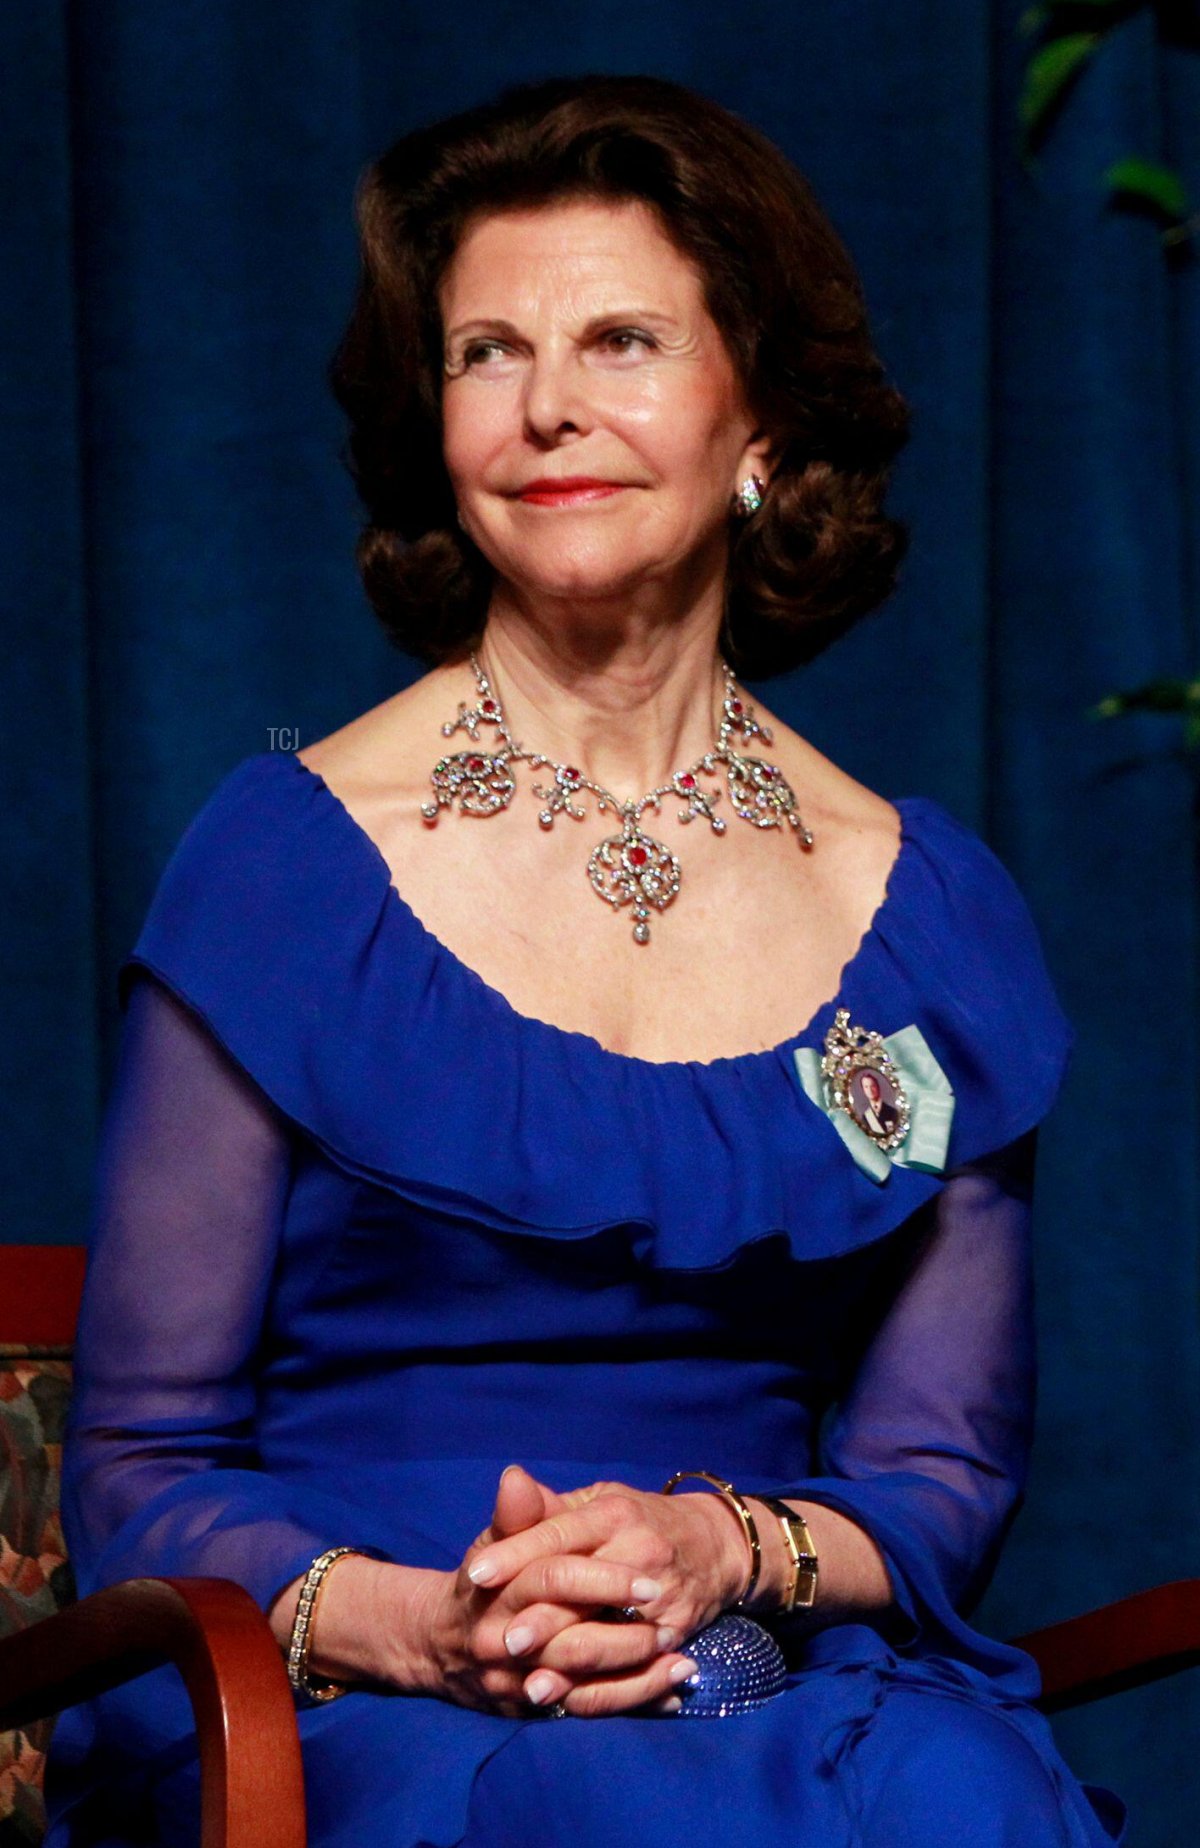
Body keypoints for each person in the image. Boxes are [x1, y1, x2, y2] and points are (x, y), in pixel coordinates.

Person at [45, 73, 1129, 1848]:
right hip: (354, 1704)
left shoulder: (927, 914)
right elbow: (139, 1470)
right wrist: (427, 1625)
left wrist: (722, 1546)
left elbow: (941, 1470)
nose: (547, 405)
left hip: (759, 1668)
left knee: (953, 1792)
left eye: (621, 339)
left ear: (760, 410)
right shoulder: (286, 866)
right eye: (487, 353)